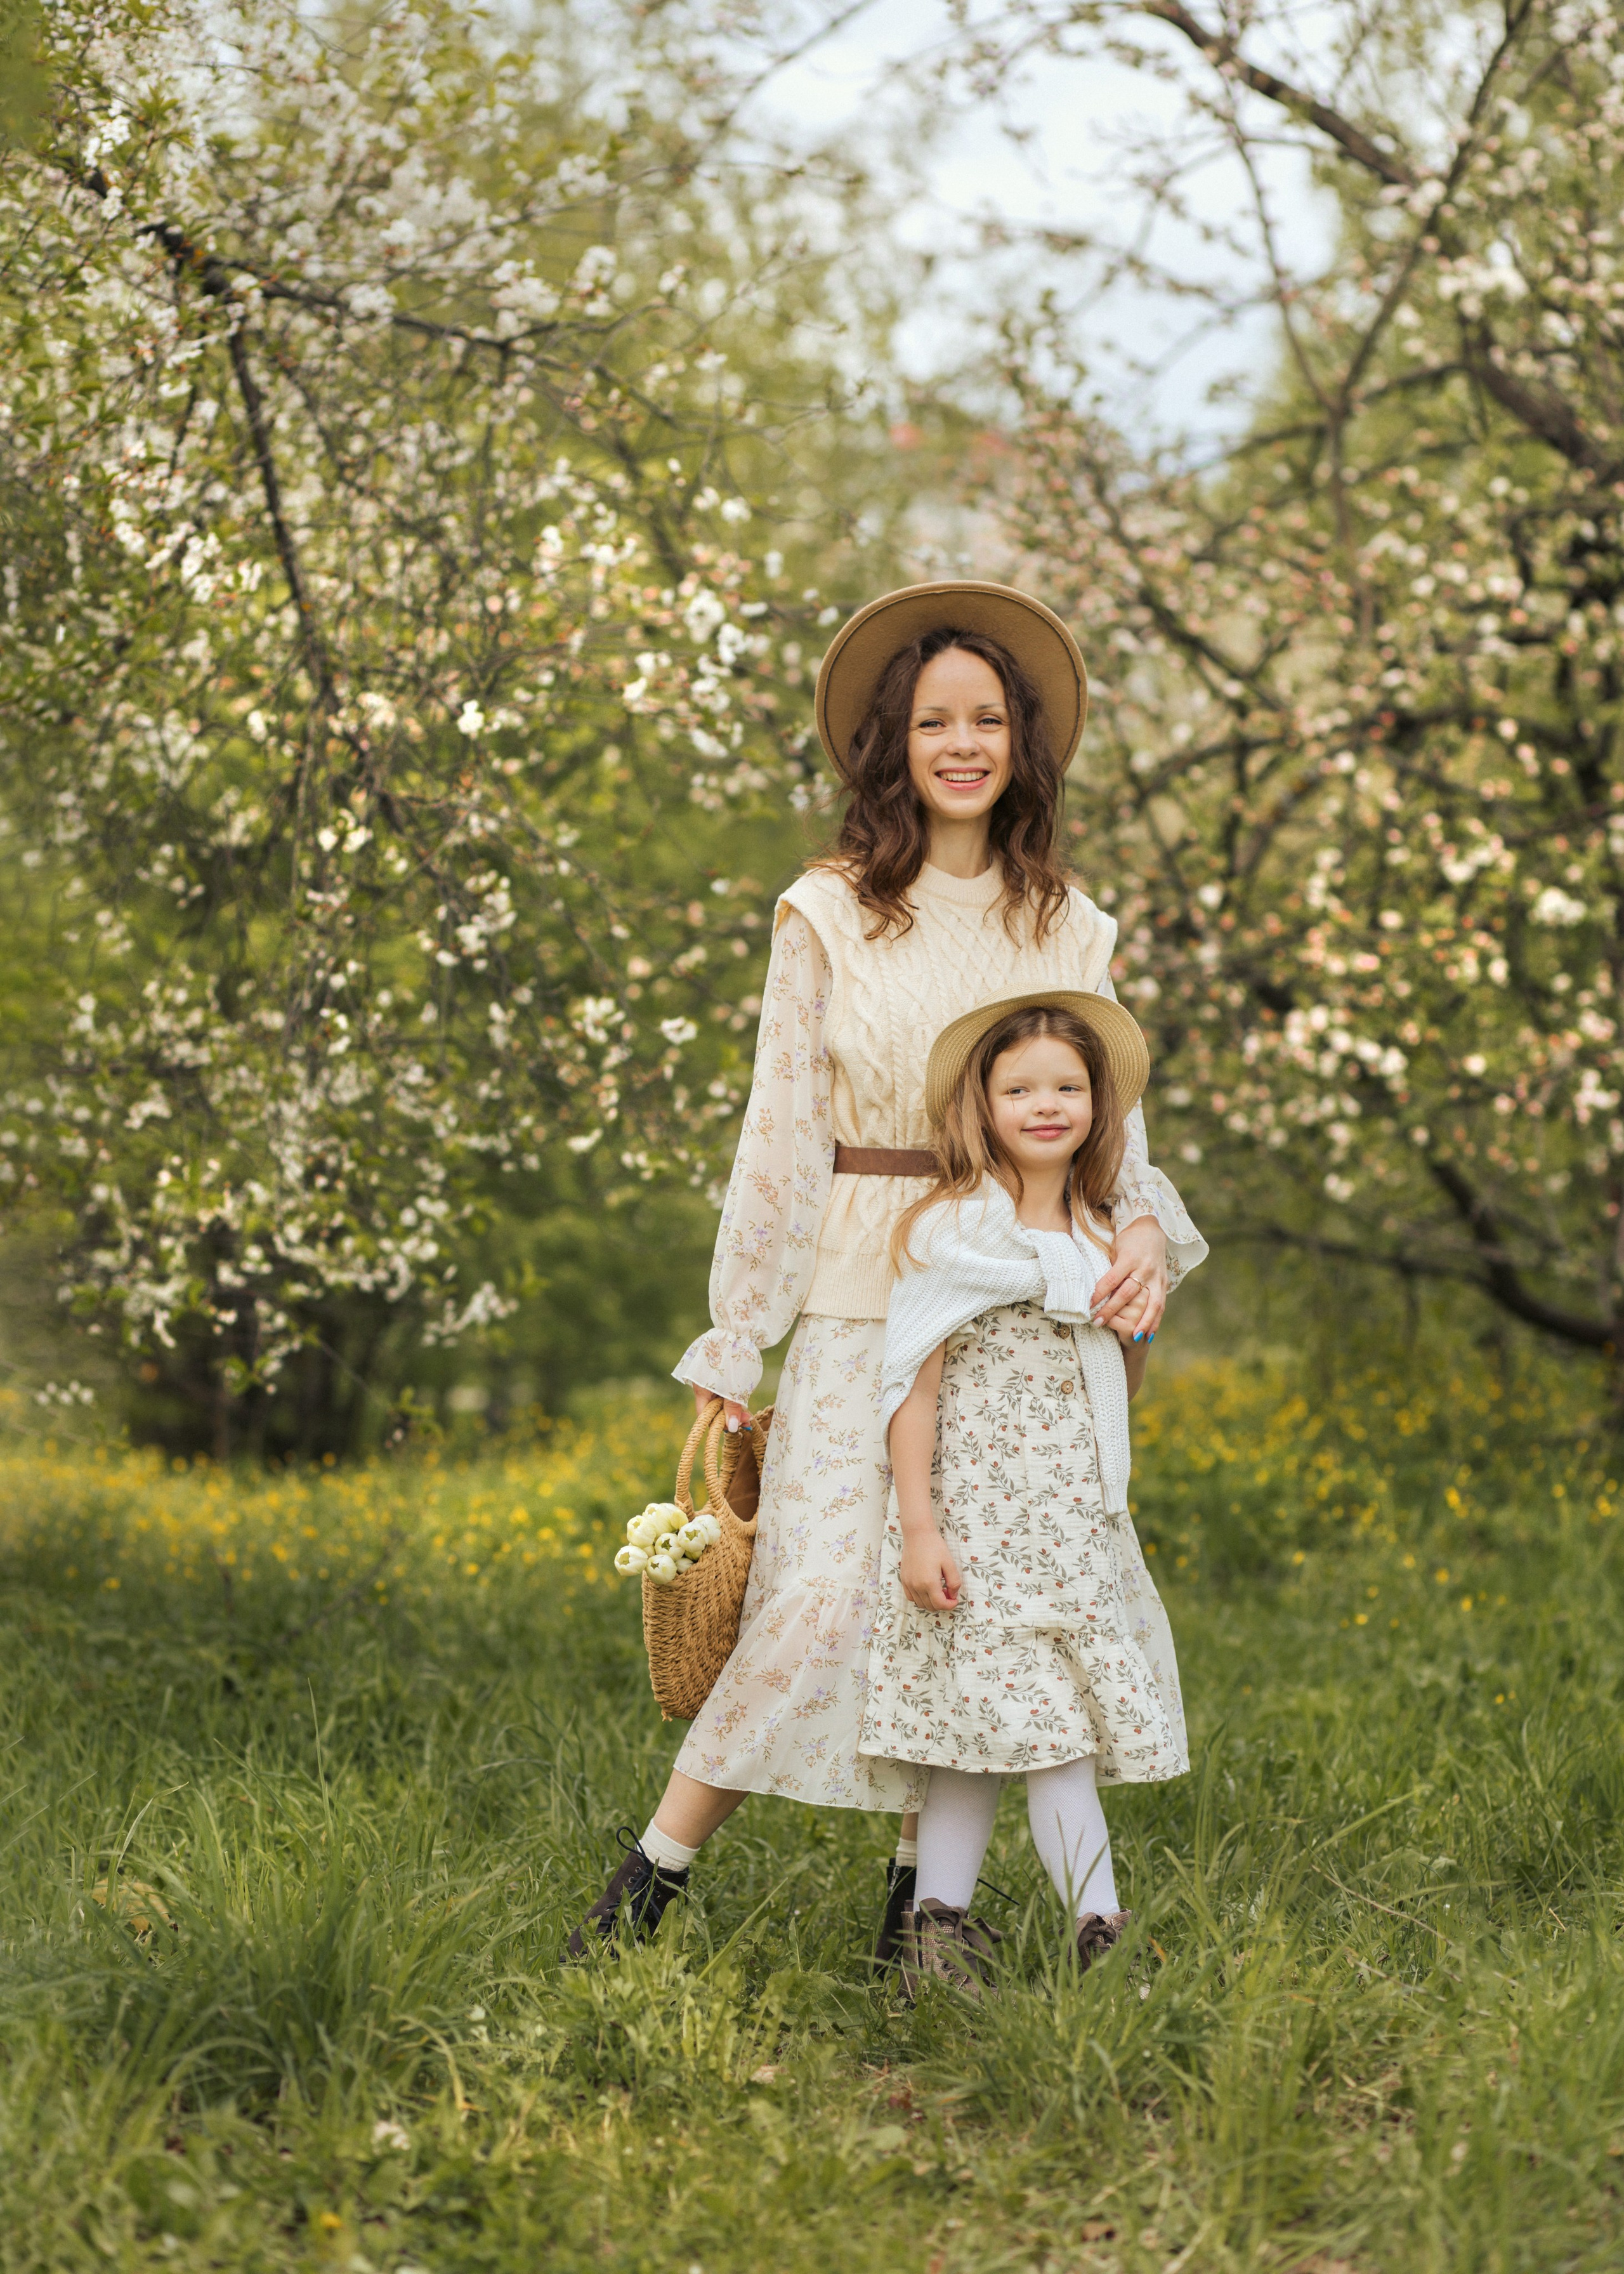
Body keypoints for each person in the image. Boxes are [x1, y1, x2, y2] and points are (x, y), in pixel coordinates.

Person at [566, 580, 1205, 1962]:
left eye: (987, 719)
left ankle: (919, 1920)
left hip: (1021, 1309)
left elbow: (1115, 1124)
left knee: (957, 1609)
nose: (961, 743)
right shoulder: (828, 911)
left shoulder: (1064, 923)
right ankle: (644, 1887)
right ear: (893, 743)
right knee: (806, 1601)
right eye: (933, 720)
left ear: (1020, 745)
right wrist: (735, 1344)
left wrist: (1142, 1231)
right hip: (860, 1288)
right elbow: (781, 1138)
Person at [861, 993, 1188, 1995]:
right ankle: (1104, 1934)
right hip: (976, 1522)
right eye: (1020, 1088)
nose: (1046, 1104)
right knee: (1048, 1740)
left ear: (1097, 1104)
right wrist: (919, 1527)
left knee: (992, 1737)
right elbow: (910, 1388)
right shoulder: (953, 1229)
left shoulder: (1102, 1239)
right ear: (985, 1104)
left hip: (1070, 1527)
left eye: (1068, 1087)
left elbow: (1119, 1391)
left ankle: (938, 1942)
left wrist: (1136, 1333)